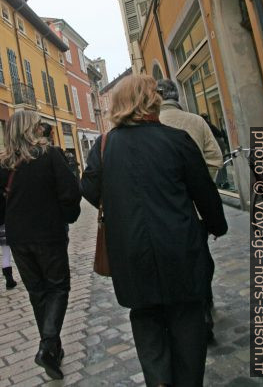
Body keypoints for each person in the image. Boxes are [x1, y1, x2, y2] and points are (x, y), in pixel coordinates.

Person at [81, 76, 227, 387]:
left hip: (131, 252)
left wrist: (121, 209)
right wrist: (216, 226)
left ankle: (159, 381)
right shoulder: (177, 140)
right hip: (180, 248)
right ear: (151, 101)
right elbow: (204, 193)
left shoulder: (104, 145)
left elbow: (89, 187)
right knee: (188, 320)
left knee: (146, 320)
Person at [0, 110, 81, 380]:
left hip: (20, 239)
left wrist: (5, 214)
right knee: (58, 287)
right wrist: (66, 215)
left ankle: (53, 349)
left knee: (37, 292)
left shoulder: (4, 162)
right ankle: (48, 344)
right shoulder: (50, 155)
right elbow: (71, 192)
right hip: (49, 234)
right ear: (31, 129)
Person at [156, 79, 223, 341]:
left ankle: (184, 313)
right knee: (200, 255)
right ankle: (204, 306)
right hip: (196, 203)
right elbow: (215, 157)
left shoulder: (149, 126)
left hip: (166, 205)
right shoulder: (196, 121)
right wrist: (198, 182)